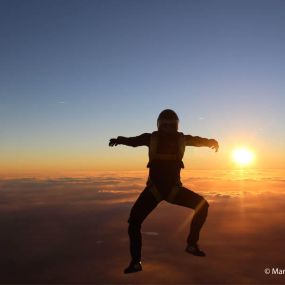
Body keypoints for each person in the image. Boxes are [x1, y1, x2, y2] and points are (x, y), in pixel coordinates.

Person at [109, 109, 219, 274]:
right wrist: (120, 140)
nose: (168, 128)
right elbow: (134, 141)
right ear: (160, 125)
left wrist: (210, 141)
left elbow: (196, 141)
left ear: (175, 126)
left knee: (135, 223)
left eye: (171, 125)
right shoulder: (157, 138)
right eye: (166, 125)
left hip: (162, 191)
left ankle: (188, 245)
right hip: (163, 191)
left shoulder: (161, 138)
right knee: (134, 222)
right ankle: (137, 261)